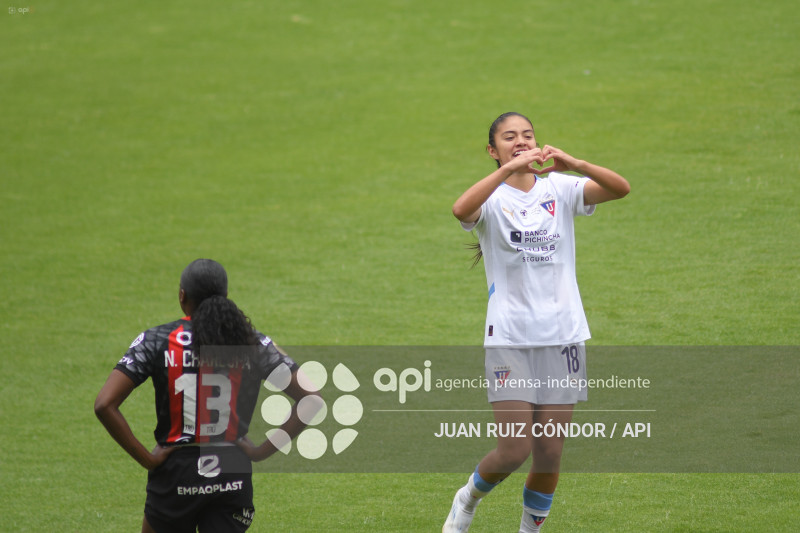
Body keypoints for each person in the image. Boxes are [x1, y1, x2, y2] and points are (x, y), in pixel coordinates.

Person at [443, 112, 630, 532]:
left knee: (549, 450)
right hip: (509, 338)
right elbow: (460, 209)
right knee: (514, 449)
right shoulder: (490, 200)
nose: (522, 141)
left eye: (527, 135)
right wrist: (508, 172)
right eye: (509, 138)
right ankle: (467, 500)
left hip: (563, 337)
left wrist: (576, 164)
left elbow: (621, 189)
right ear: (493, 151)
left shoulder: (560, 190)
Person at [95, 258, 322, 533]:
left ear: (182, 296)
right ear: (225, 296)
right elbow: (312, 398)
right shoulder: (251, 341)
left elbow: (105, 404)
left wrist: (149, 459)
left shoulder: (157, 340)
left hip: (176, 473)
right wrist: (261, 451)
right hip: (232, 471)